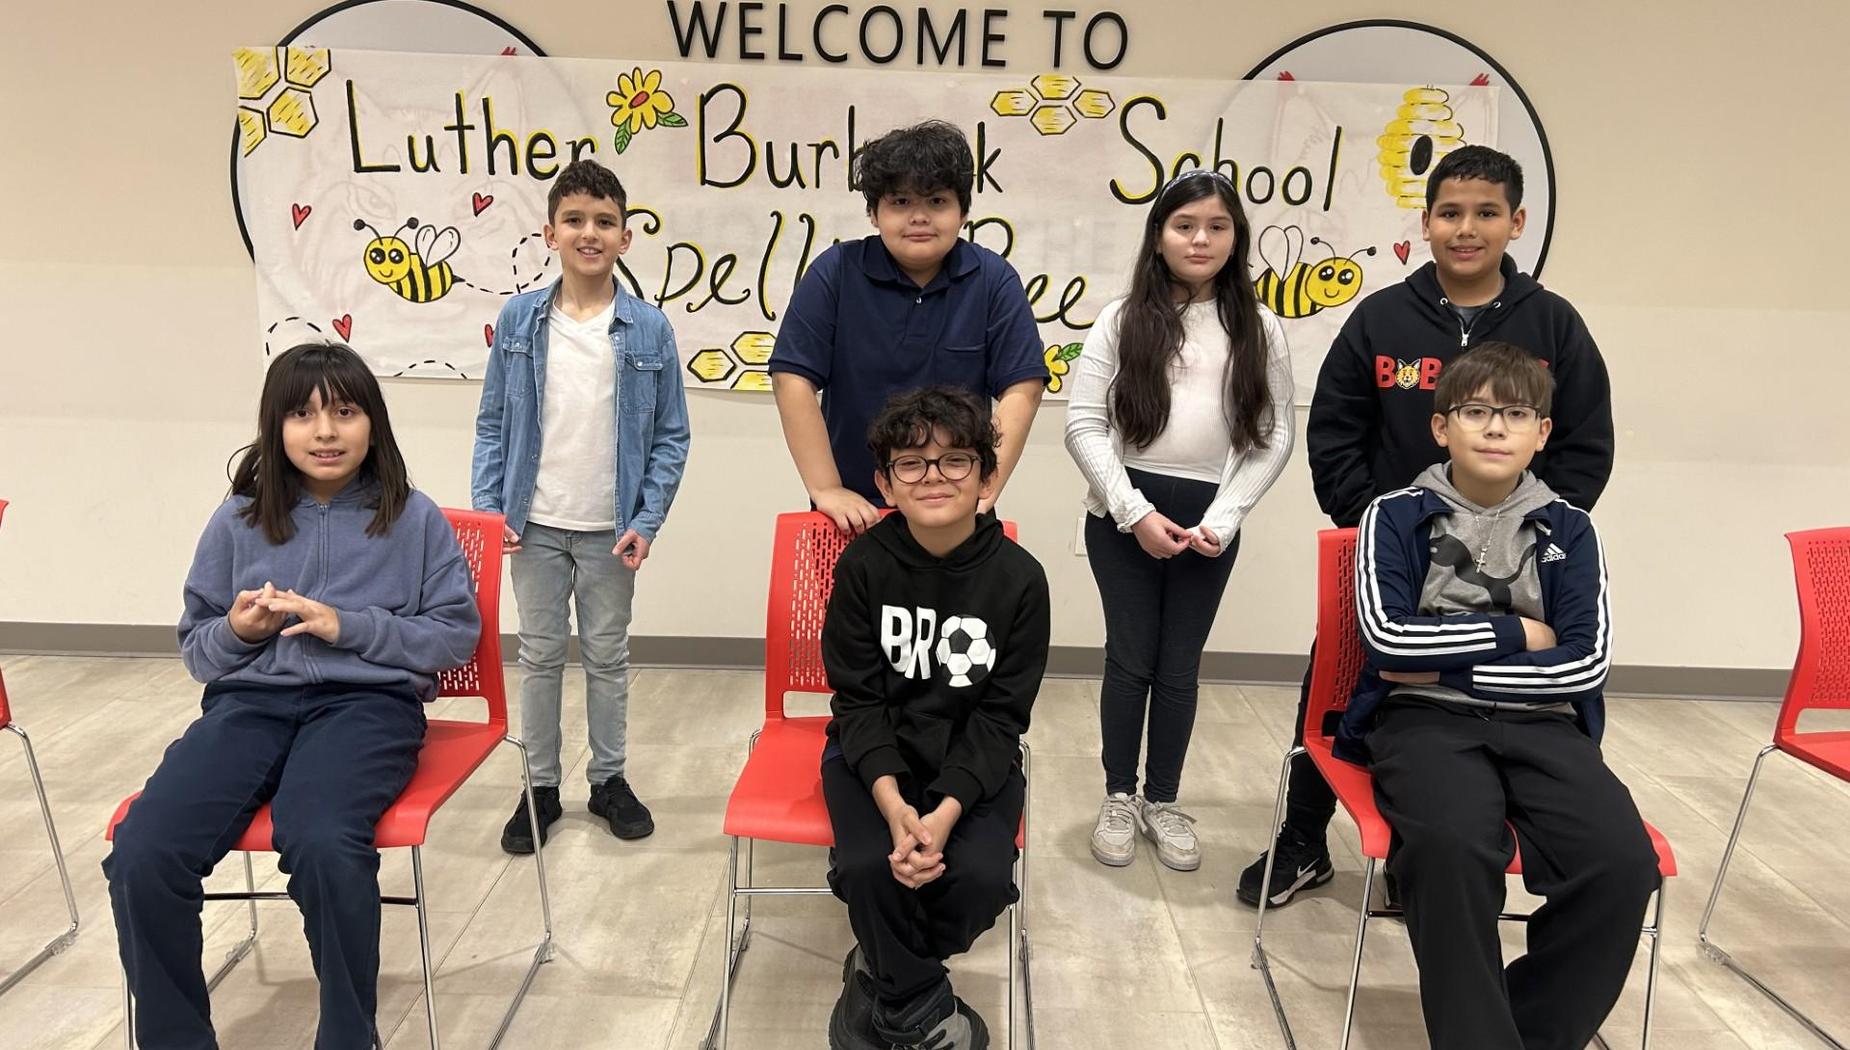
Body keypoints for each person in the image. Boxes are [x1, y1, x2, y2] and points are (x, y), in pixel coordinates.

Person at [1240, 144, 1617, 907]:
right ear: (1427, 221)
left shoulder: (1555, 325)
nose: (1467, 228)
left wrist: (1532, 528)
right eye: (1451, 213)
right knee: (1341, 682)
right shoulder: (1382, 316)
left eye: (1485, 213)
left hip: (1517, 562)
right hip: (1400, 559)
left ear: (1516, 222)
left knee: (1473, 705)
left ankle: (1432, 853)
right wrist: (1382, 527)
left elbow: (1584, 445)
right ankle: (1304, 839)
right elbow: (1336, 432)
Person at [105, 343, 480, 1050]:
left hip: (367, 709)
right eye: (303, 415)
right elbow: (197, 648)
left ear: (374, 423)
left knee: (322, 839)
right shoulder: (237, 521)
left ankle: (348, 1035)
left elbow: (453, 637)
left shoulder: (414, 518)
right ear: (275, 428)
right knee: (144, 850)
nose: (326, 431)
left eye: (345, 411)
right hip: (248, 707)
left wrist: (349, 627)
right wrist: (240, 632)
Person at [1340, 341, 1657, 1049]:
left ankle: (1524, 1033)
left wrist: (1455, 666)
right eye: (1475, 411)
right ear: (1440, 426)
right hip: (1422, 723)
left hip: (1545, 726)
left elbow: (1586, 664)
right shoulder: (1393, 515)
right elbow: (1390, 644)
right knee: (1451, 849)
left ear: (1542, 433)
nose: (1494, 428)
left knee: (1621, 864)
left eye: (1515, 413)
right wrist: (1520, 631)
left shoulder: (1572, 529)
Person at [1064, 169, 1294, 871]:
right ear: (1158, 236)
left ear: (1236, 238)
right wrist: (1133, 513)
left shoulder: (1260, 327)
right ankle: (1118, 795)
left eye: (1217, 226)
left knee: (1179, 666)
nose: (1200, 238)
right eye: (1184, 225)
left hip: (1208, 523)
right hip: (1124, 516)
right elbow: (1083, 424)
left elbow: (1274, 431)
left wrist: (1224, 517)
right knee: (1131, 659)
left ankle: (1162, 800)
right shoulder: (1120, 319)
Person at [821, 387, 1050, 1050]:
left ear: (985, 473)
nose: (934, 478)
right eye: (912, 464)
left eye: (954, 461)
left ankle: (887, 967)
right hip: (872, 755)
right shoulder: (863, 566)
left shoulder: (1021, 580)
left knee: (978, 877)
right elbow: (857, 702)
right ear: (884, 482)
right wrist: (894, 804)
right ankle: (913, 1001)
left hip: (973, 760)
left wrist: (944, 813)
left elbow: (1002, 715)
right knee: (869, 868)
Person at [473, 158, 691, 854]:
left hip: (610, 530)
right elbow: (491, 425)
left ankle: (608, 780)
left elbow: (670, 435)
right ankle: (539, 786)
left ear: (626, 238)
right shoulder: (519, 319)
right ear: (549, 233)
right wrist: (488, 512)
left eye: (604, 222)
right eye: (574, 220)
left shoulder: (649, 330)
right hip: (532, 523)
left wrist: (645, 519)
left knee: (605, 655)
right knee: (539, 656)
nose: (588, 233)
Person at [768, 120, 1047, 533]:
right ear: (874, 212)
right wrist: (826, 489)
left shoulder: (993, 278)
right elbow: (791, 377)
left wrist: (985, 489)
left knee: (961, 602)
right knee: (849, 600)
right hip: (853, 515)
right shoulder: (836, 272)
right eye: (900, 202)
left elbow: (1023, 386)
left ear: (963, 212)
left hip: (958, 514)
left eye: (936, 201)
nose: (919, 217)